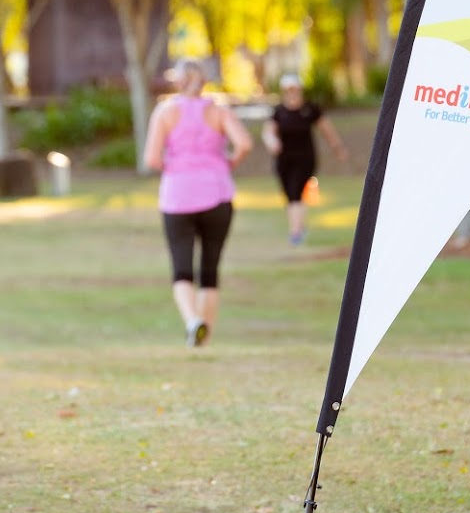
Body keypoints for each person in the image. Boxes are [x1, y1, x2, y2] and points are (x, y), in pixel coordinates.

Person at [144, 58, 252, 347]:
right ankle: (204, 335)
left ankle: (193, 321)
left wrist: (177, 163)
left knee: (181, 267)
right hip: (217, 193)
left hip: (178, 196)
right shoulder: (218, 111)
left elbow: (152, 159)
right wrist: (228, 162)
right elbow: (244, 144)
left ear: (177, 82)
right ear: (203, 81)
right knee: (210, 267)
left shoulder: (165, 112)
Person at [262, 73, 349, 245]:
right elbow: (269, 131)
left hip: (305, 158)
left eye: (295, 89)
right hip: (284, 160)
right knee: (290, 195)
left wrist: (337, 148)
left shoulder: (310, 109)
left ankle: (295, 233)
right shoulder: (279, 111)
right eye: (289, 90)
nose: (292, 93)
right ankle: (299, 226)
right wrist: (272, 142)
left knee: (296, 192)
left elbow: (327, 130)